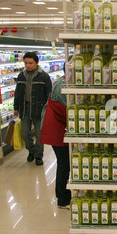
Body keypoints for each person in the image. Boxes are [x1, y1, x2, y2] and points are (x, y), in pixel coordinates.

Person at [14, 52, 52, 166]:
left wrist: (48, 110)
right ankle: (31, 150)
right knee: (25, 132)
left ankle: (38, 156)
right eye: (26, 63)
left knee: (40, 134)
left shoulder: (44, 76)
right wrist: (16, 107)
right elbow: (17, 93)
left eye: (30, 63)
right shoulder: (21, 76)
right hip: (24, 108)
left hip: (39, 109)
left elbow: (49, 94)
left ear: (37, 63)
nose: (28, 65)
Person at [40, 75, 70, 209]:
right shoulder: (63, 85)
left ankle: (64, 194)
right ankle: (62, 199)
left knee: (65, 164)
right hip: (57, 130)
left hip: (57, 128)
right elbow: (65, 110)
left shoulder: (65, 81)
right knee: (64, 164)